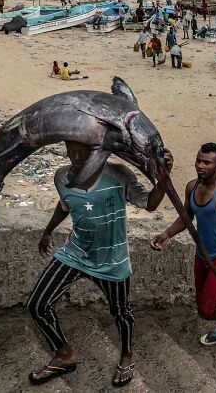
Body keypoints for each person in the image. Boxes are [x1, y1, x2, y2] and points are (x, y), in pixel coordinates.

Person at [26, 143, 172, 386]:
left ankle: (127, 355)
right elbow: (65, 205)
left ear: (99, 150)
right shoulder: (61, 176)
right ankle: (63, 353)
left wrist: (164, 178)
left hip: (112, 260)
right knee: (37, 305)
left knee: (121, 313)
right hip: (75, 254)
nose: (77, 156)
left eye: (85, 150)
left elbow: (150, 203)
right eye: (72, 150)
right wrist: (48, 231)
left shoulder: (118, 175)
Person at [150, 143, 216, 350]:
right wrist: (167, 234)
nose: (200, 166)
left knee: (206, 310)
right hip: (202, 254)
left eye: (207, 162)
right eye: (198, 161)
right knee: (204, 301)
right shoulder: (192, 186)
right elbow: (186, 216)